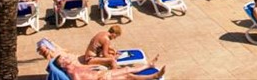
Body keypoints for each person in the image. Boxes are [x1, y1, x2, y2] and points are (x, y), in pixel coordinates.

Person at [38, 41, 166, 80]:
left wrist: (97, 68)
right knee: (128, 76)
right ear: (63, 65)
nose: (66, 57)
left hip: (102, 73)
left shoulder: (75, 67)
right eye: (64, 58)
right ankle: (153, 76)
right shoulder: (73, 74)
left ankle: (149, 65)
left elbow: (86, 68)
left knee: (127, 69)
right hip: (102, 79)